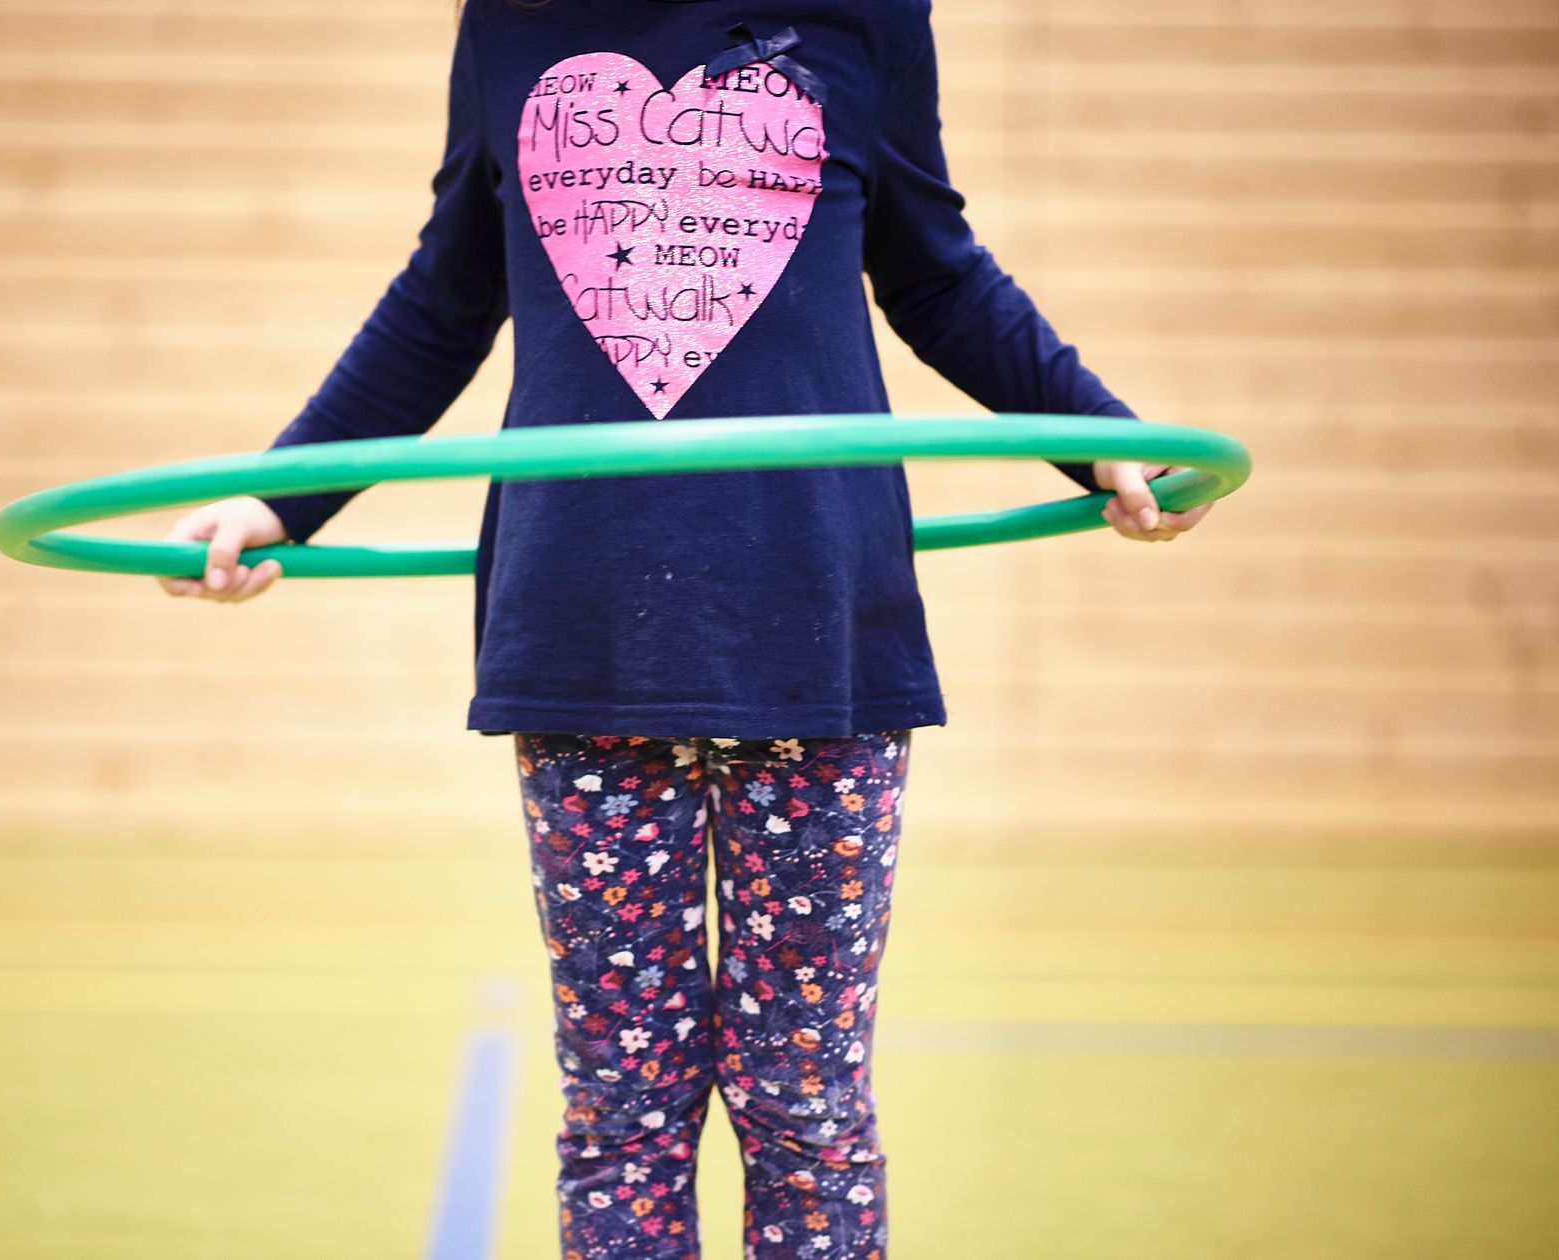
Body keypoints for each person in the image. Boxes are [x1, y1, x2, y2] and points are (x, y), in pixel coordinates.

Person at [157, 1, 1212, 1254]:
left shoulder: (863, 14)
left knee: (806, 1105)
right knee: (621, 1109)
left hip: (815, 623)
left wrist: (1094, 441)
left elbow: (934, 269)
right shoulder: (510, 23)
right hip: (584, 624)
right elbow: (448, 291)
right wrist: (286, 494)